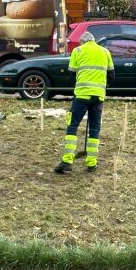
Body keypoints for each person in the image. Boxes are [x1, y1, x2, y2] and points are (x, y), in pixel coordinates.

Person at [54, 31, 114, 175]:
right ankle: (92, 163)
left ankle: (67, 161)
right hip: (98, 96)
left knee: (72, 126)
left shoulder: (78, 50)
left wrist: (77, 87)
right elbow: (111, 75)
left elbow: (71, 75)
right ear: (93, 41)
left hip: (82, 95)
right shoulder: (105, 52)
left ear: (82, 42)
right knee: (94, 129)